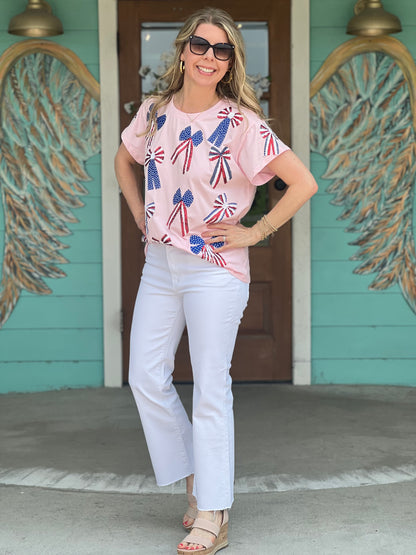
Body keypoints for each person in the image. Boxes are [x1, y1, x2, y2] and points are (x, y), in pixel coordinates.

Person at [114, 7, 318, 554]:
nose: (210, 57)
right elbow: (123, 159)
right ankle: (197, 482)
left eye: (222, 50)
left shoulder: (243, 124)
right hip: (160, 264)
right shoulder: (155, 112)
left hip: (215, 270)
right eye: (202, 46)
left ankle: (214, 511)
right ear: (182, 50)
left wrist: (260, 230)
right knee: (146, 377)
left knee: (210, 386)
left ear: (231, 62)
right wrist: (139, 212)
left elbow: (303, 182)